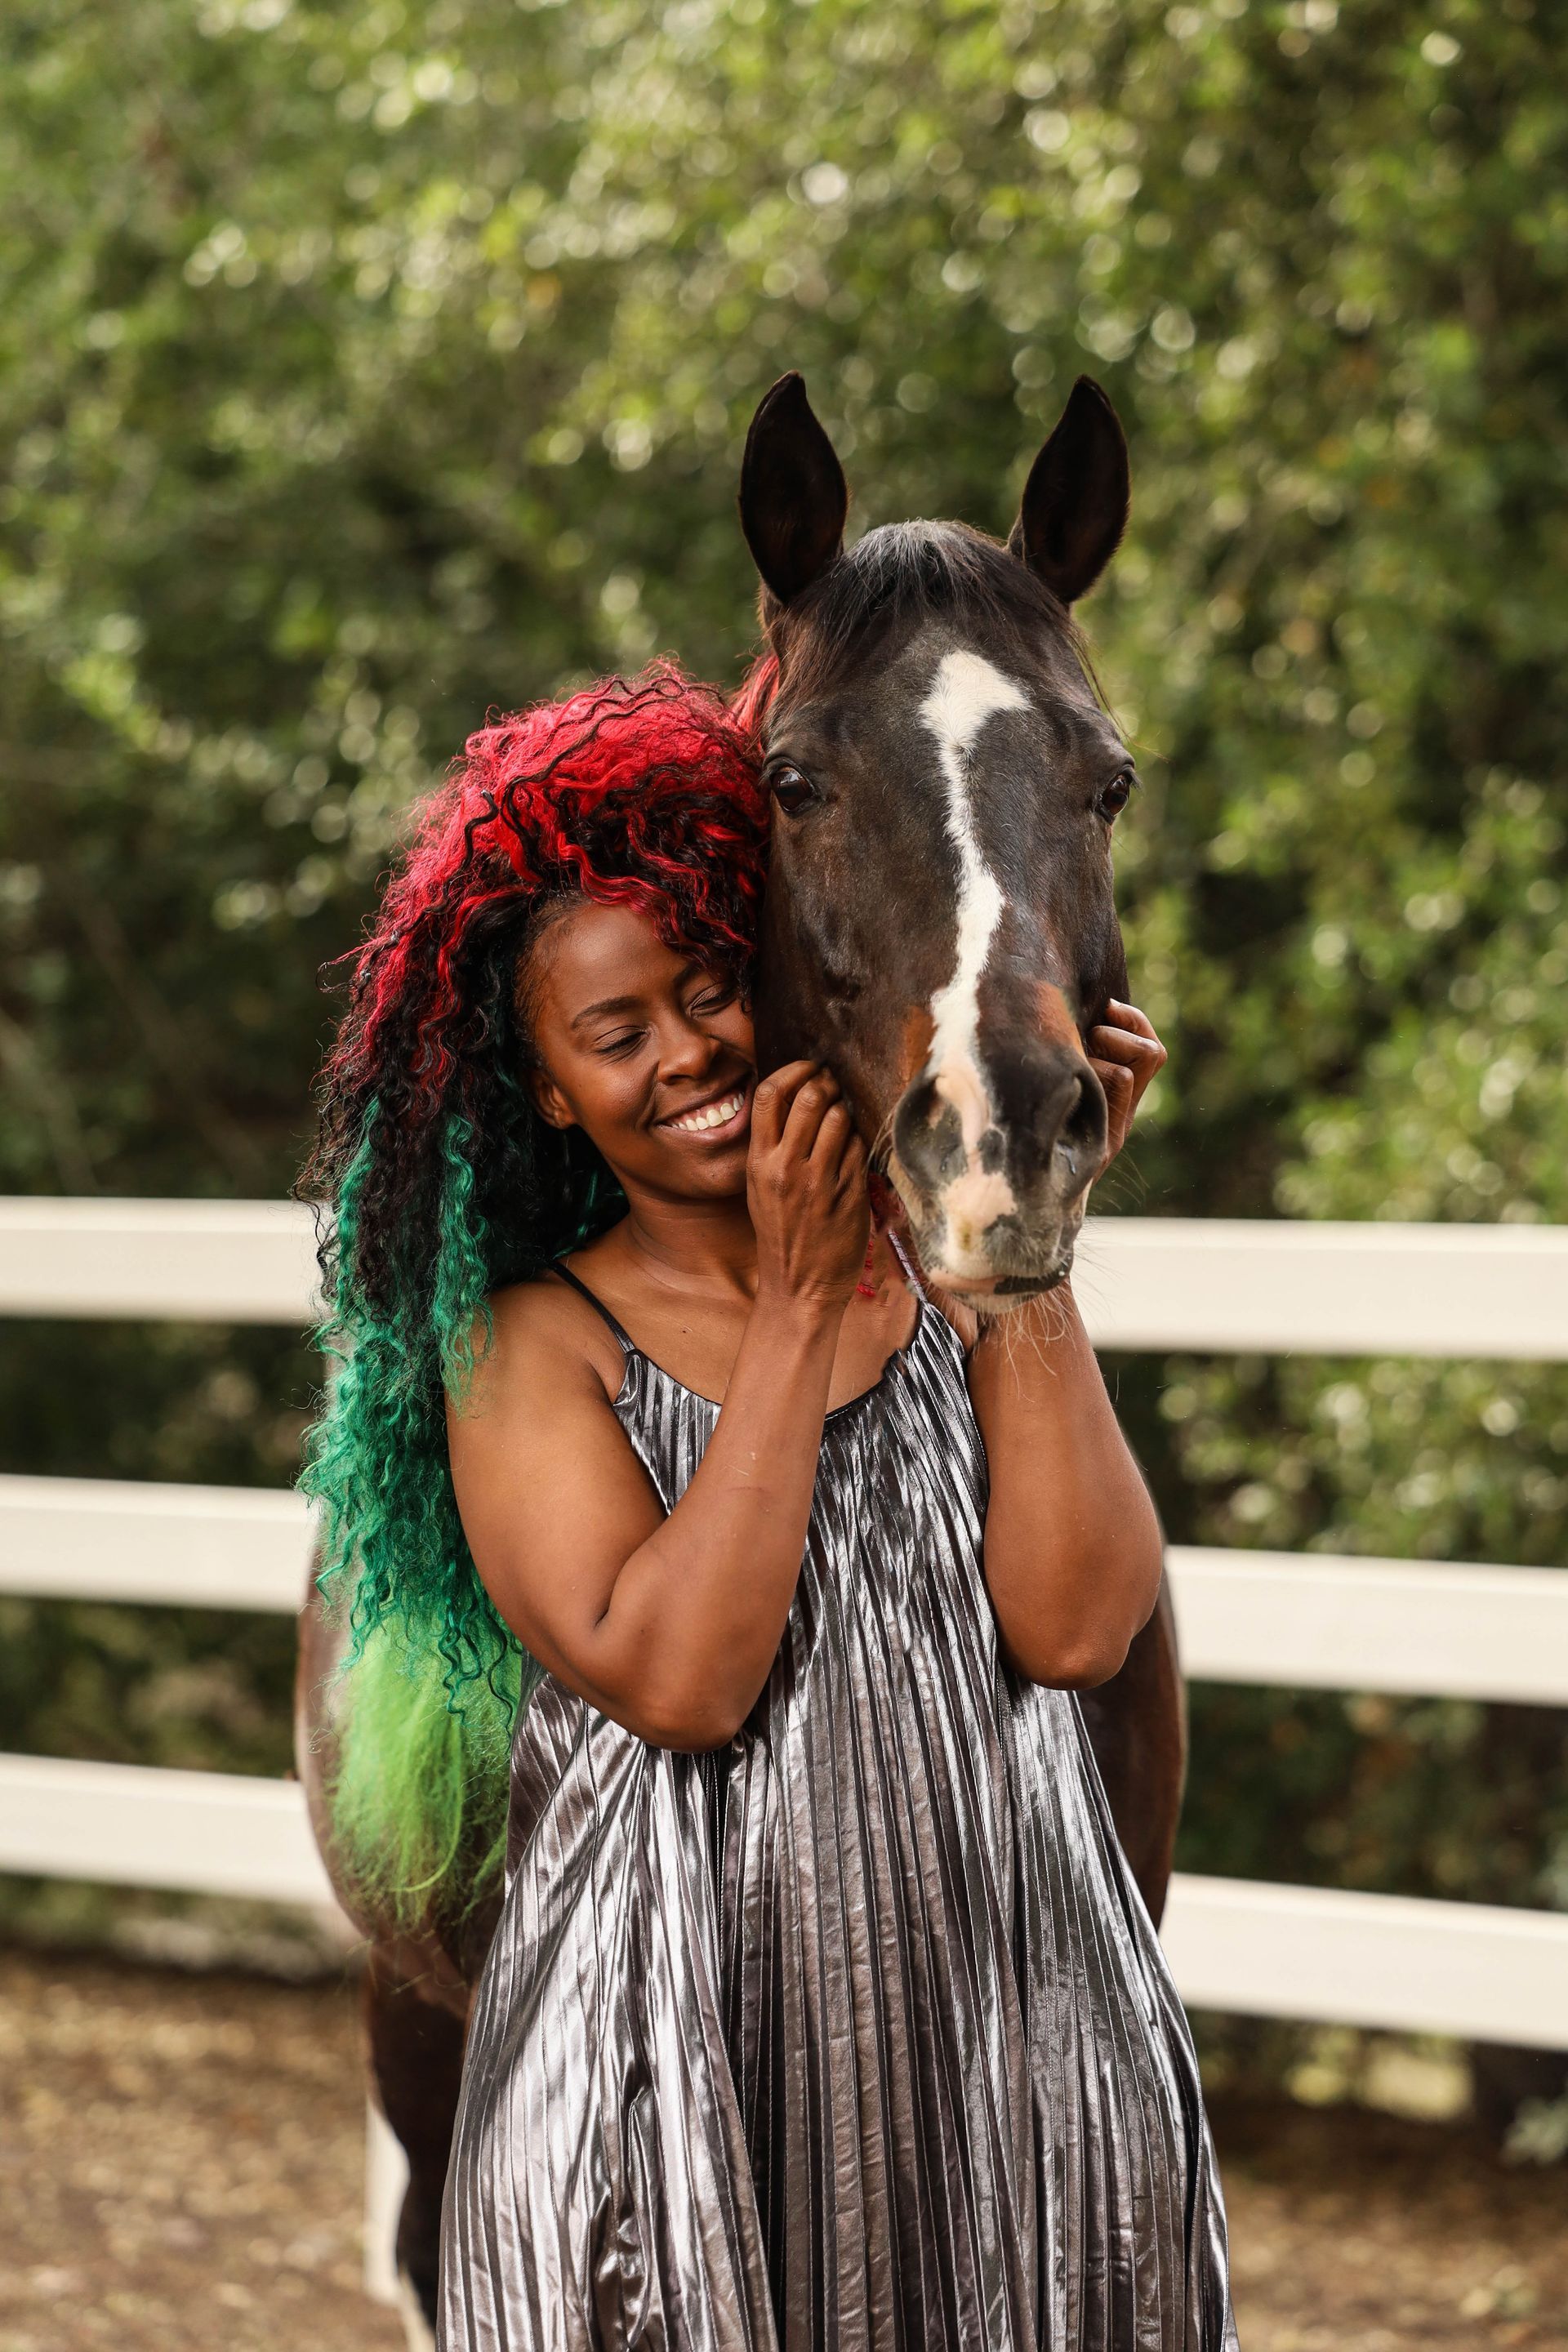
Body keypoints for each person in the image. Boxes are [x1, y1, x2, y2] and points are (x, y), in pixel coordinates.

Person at [303, 663, 1238, 2351]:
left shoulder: (941, 1275)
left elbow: (1083, 1621)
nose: (687, 1054)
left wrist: (1027, 1223)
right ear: (551, 1095)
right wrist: (802, 1310)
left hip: (1012, 2102)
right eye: (616, 1033)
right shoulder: (529, 1349)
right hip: (679, 2122)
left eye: (707, 987)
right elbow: (684, 1679)